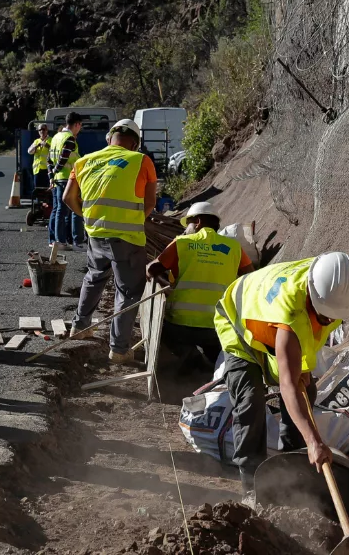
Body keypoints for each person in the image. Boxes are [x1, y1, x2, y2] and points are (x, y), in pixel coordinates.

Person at [214, 252, 349, 505]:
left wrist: (303, 364)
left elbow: (313, 332)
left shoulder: (330, 283)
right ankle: (251, 485)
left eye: (332, 317)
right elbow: (287, 385)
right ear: (312, 295)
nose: (328, 320)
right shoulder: (289, 313)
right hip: (237, 320)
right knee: (251, 398)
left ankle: (292, 467)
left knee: (308, 390)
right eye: (324, 315)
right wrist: (315, 441)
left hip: (271, 320)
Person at [64, 119, 157, 364]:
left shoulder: (83, 161)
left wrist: (87, 217)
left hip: (95, 232)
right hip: (127, 237)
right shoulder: (141, 160)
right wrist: (132, 220)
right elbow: (150, 203)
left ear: (109, 139)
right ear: (135, 144)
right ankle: (119, 349)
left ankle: (80, 326)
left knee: (94, 276)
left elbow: (67, 197)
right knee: (127, 291)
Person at [146, 201, 254, 374]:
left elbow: (152, 269)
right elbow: (250, 278)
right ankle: (213, 365)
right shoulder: (234, 247)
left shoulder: (181, 243)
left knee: (160, 327)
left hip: (180, 325)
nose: (185, 230)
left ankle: (191, 357)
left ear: (197, 222)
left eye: (187, 224)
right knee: (216, 351)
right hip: (217, 327)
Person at [48, 112, 85, 248]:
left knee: (58, 210)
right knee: (70, 210)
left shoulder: (56, 137)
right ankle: (66, 241)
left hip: (58, 179)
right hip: (67, 178)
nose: (80, 129)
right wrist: (56, 170)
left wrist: (51, 176)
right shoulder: (69, 138)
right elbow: (63, 159)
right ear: (76, 124)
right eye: (80, 125)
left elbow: (49, 159)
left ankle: (58, 240)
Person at [27, 123, 51, 198]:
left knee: (47, 189)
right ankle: (39, 205)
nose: (41, 131)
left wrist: (47, 146)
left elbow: (55, 151)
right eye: (39, 130)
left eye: (43, 129)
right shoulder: (36, 141)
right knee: (37, 190)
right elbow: (29, 151)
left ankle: (47, 205)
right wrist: (36, 146)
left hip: (47, 169)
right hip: (37, 169)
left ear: (47, 130)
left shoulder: (51, 140)